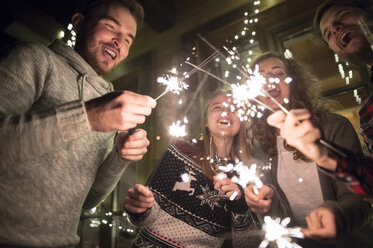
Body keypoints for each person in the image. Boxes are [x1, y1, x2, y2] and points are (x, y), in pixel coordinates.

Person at [0, 0, 156, 247]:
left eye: (128, 39)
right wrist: (89, 117)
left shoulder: (107, 99)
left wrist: (120, 155)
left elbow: (89, 200)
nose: (119, 41)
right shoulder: (33, 58)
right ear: (79, 23)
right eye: (111, 26)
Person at [243, 52, 373, 248]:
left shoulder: (334, 126)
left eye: (277, 73)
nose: (269, 80)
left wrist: (338, 214)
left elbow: (359, 198)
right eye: (261, 76)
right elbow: (270, 195)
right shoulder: (260, 144)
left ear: (293, 82)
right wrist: (261, 198)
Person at [264, 0, 373, 200]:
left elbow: (356, 202)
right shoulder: (368, 116)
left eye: (344, 14)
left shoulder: (335, 126)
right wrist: (324, 156)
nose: (336, 28)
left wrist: (338, 214)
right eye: (329, 34)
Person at [124, 90, 260, 247]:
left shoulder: (247, 174)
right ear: (206, 121)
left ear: (241, 121)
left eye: (234, 108)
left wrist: (239, 203)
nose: (225, 112)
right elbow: (148, 215)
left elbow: (248, 244)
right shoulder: (179, 150)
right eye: (217, 107)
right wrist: (139, 208)